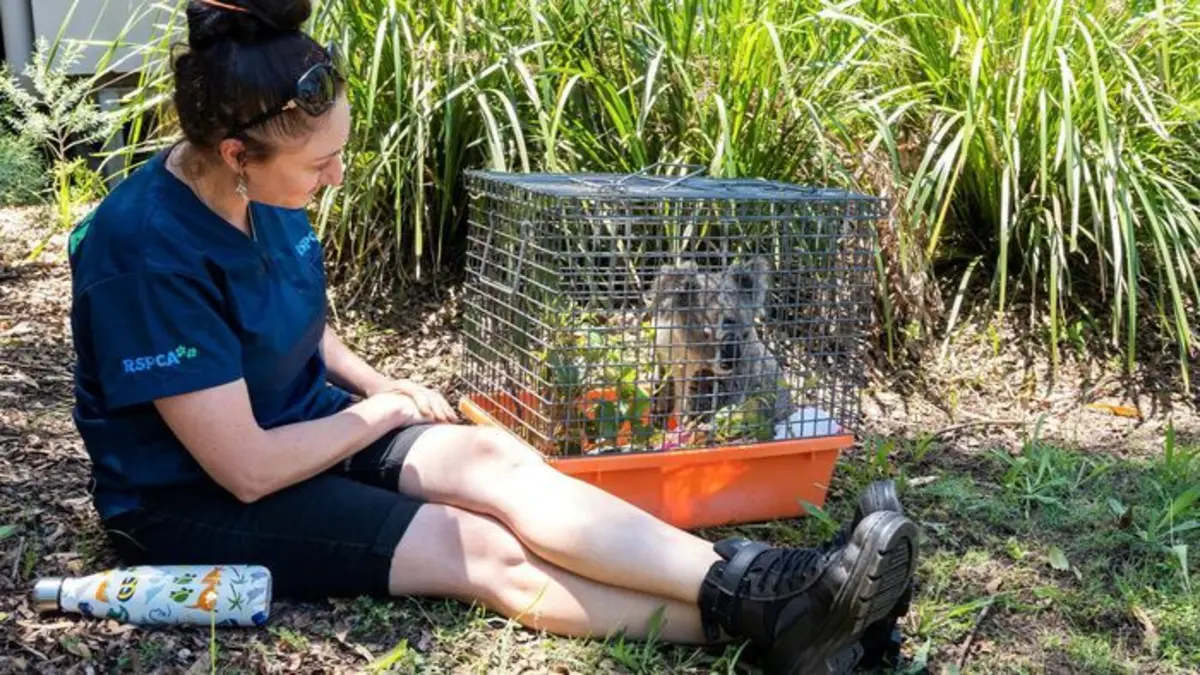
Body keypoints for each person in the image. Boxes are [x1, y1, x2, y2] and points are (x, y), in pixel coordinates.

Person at [65, 1, 919, 673]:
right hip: (199, 501)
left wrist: (370, 384)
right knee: (473, 547)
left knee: (495, 460)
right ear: (234, 152)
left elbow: (297, 321)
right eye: (320, 166)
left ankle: (771, 583)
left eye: (339, 153)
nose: (337, 176)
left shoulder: (269, 196)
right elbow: (245, 467)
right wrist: (381, 414)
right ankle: (778, 619)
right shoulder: (144, 249)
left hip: (305, 426)